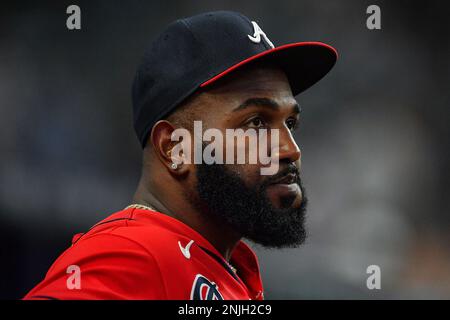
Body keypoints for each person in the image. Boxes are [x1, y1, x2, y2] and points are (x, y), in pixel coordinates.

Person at [24, 10, 337, 300]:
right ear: (174, 148)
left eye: (291, 123)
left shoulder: (227, 263)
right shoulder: (131, 252)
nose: (290, 149)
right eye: (256, 123)